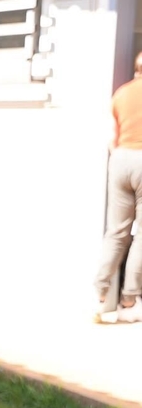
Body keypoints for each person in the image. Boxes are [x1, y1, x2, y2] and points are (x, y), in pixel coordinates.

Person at [94, 51, 142, 324]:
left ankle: (100, 297)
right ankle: (129, 301)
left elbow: (112, 138)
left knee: (117, 231)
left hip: (121, 159)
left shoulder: (121, 94)